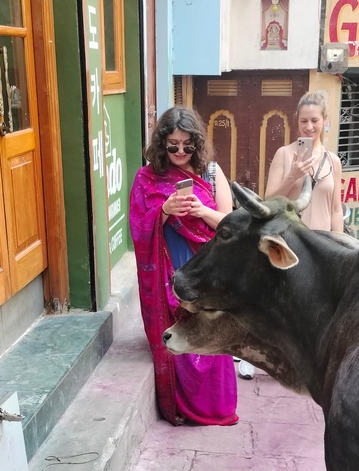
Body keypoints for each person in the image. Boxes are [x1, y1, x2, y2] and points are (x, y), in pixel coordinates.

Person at [129, 106, 238, 426]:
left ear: (197, 143)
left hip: (206, 270)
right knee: (179, 334)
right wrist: (164, 209)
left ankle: (214, 405)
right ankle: (183, 401)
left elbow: (230, 226)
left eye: (186, 145)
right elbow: (138, 225)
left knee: (207, 330)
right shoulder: (148, 177)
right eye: (171, 145)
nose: (179, 151)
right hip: (170, 269)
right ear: (161, 144)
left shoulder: (213, 174)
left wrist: (201, 212)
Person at [265, 92, 345, 233]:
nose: (309, 127)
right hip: (291, 241)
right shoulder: (283, 154)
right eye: (304, 121)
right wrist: (292, 176)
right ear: (297, 121)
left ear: (324, 119)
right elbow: (269, 201)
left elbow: (336, 210)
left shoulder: (333, 161)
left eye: (314, 120)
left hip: (322, 243)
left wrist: (339, 244)